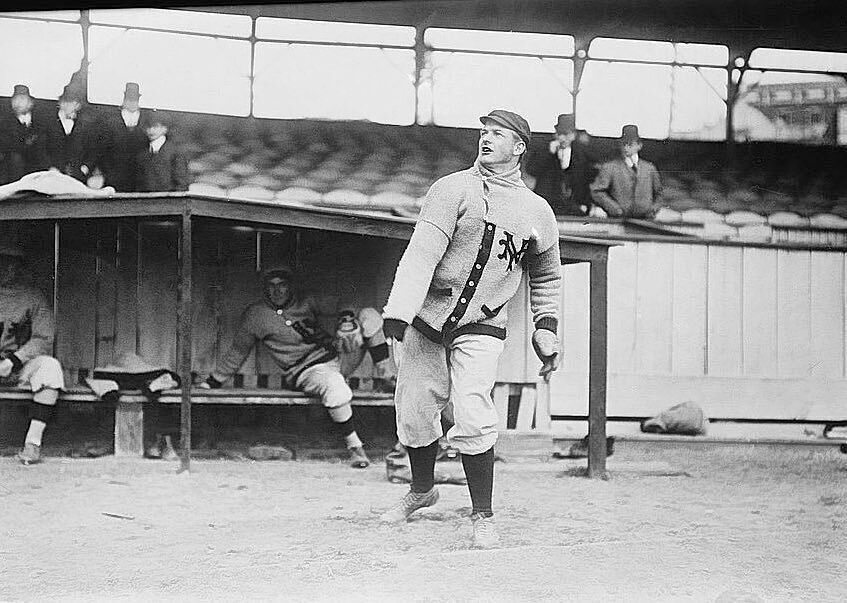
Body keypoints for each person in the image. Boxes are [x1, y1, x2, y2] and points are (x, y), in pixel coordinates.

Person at [378, 109, 562, 548]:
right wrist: (398, 312)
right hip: (429, 316)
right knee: (416, 408)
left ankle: (482, 515)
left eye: (498, 135)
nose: (486, 139)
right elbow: (421, 253)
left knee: (473, 410)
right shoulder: (451, 188)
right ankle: (422, 491)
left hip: (482, 322)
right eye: (484, 132)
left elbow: (547, 276)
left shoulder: (537, 210)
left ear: (519, 147)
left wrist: (546, 326)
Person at [200, 263, 394, 468]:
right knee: (335, 384)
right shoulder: (256, 315)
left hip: (337, 357)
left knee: (370, 315)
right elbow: (238, 352)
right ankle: (356, 448)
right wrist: (212, 382)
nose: (276, 290)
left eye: (282, 284)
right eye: (271, 285)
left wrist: (347, 319)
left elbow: (346, 300)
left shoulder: (306, 302)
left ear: (290, 286)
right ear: (264, 288)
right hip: (307, 371)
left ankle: (387, 376)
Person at [0, 237, 65, 465]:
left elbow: (44, 339)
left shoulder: (32, 296)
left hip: (18, 367)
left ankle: (32, 443)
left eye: (12, 262)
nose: (6, 268)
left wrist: (14, 362)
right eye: (2, 261)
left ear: (20, 266)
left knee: (50, 368)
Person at [525, 113, 597, 216]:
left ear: (573, 135)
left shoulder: (581, 154)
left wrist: (586, 203)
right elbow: (531, 170)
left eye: (566, 134)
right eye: (559, 134)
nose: (562, 138)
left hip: (574, 206)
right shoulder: (545, 149)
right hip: (547, 206)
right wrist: (548, 153)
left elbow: (588, 180)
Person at [589, 124, 663, 219]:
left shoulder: (649, 168)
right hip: (618, 221)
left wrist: (653, 209)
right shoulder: (610, 167)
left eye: (630, 144)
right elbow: (596, 191)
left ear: (639, 145)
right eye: (623, 144)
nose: (626, 148)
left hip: (645, 220)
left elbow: (659, 193)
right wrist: (613, 208)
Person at [102, 82, 150, 192]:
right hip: (115, 177)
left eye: (135, 100)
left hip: (139, 178)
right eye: (129, 99)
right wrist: (109, 172)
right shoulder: (112, 121)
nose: (132, 103)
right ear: (124, 100)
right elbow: (103, 149)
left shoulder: (145, 120)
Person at [44, 86, 97, 183]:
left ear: (78, 106)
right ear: (60, 103)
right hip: (54, 174)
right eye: (67, 102)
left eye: (74, 103)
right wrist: (50, 168)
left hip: (77, 175)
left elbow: (93, 148)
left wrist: (85, 167)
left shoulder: (84, 125)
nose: (71, 106)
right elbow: (41, 148)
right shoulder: (49, 123)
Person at [0, 84, 48, 184]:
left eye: (22, 99)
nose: (17, 103)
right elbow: (8, 146)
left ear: (30, 102)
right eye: (14, 100)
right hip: (14, 171)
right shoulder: (6, 122)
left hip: (38, 169)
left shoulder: (40, 121)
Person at [135, 110, 190, 192]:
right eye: (148, 127)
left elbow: (181, 184)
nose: (151, 130)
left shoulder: (175, 153)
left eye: (155, 126)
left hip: (167, 202)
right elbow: (139, 184)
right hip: (145, 202)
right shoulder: (143, 155)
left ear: (165, 129)